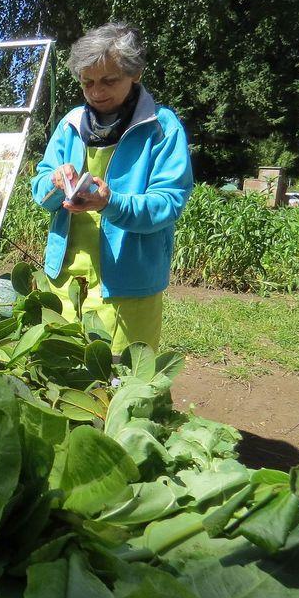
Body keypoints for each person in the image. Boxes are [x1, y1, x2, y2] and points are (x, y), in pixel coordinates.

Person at [31, 22, 193, 353]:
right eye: (87, 82)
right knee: (64, 378)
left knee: (123, 380)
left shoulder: (162, 128)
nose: (96, 92)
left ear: (136, 73)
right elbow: (39, 190)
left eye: (109, 80)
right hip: (64, 278)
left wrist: (110, 202)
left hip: (127, 283)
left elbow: (168, 203)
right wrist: (54, 181)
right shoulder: (70, 125)